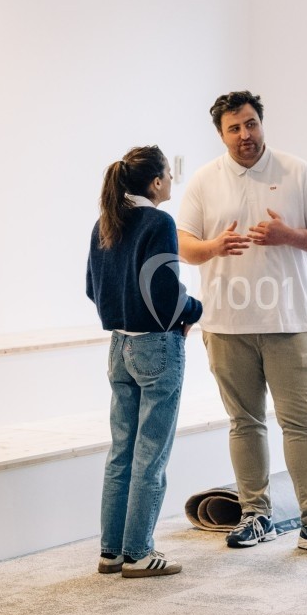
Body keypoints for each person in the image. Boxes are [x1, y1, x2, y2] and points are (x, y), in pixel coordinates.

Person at [176, 90, 307, 555]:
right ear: (221, 133)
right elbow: (184, 245)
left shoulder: (296, 171)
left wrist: (287, 235)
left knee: (301, 424)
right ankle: (255, 516)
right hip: (225, 325)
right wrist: (214, 247)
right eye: (234, 128)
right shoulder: (203, 181)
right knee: (245, 423)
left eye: (251, 124)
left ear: (261, 124)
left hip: (290, 322)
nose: (245, 135)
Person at [87, 146, 201, 577]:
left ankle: (111, 552)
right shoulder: (159, 221)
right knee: (150, 453)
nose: (172, 181)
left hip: (118, 347)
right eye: (169, 174)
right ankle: (139, 552)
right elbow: (167, 293)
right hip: (157, 346)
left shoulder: (105, 222)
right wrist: (195, 311)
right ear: (155, 182)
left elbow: (90, 286)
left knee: (121, 452)